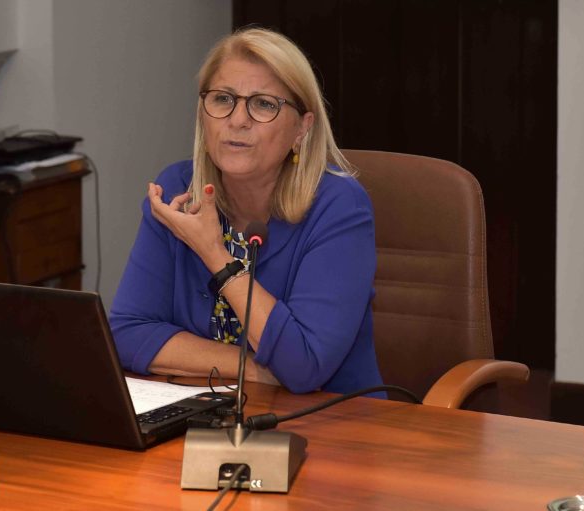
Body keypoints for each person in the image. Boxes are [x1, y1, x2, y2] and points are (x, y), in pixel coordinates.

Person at [109, 27, 383, 394]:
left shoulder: (339, 207)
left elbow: (304, 365)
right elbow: (126, 333)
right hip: (207, 410)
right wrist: (253, 368)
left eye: (264, 104)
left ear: (302, 129)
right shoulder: (178, 189)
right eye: (223, 99)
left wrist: (215, 254)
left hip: (332, 418)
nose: (238, 120)